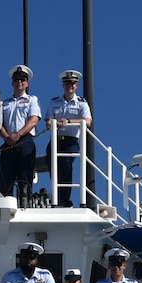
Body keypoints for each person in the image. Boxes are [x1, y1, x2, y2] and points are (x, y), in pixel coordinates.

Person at [47, 69, 93, 207]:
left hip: (71, 141)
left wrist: (68, 121)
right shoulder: (54, 102)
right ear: (63, 85)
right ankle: (56, 196)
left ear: (76, 86)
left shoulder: (81, 103)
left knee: (66, 168)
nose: (70, 86)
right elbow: (48, 121)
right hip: (56, 140)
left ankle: (64, 200)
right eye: (67, 83)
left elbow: (88, 121)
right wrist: (55, 124)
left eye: (73, 83)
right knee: (52, 166)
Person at [0, 65, 42, 201]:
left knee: (25, 177)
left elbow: (34, 120)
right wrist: (6, 136)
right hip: (8, 142)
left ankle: (25, 204)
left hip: (25, 142)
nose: (19, 83)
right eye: (16, 80)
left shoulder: (31, 100)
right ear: (12, 83)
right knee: (5, 179)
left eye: (22, 80)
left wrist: (18, 134)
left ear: (27, 83)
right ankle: (5, 204)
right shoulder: (4, 104)